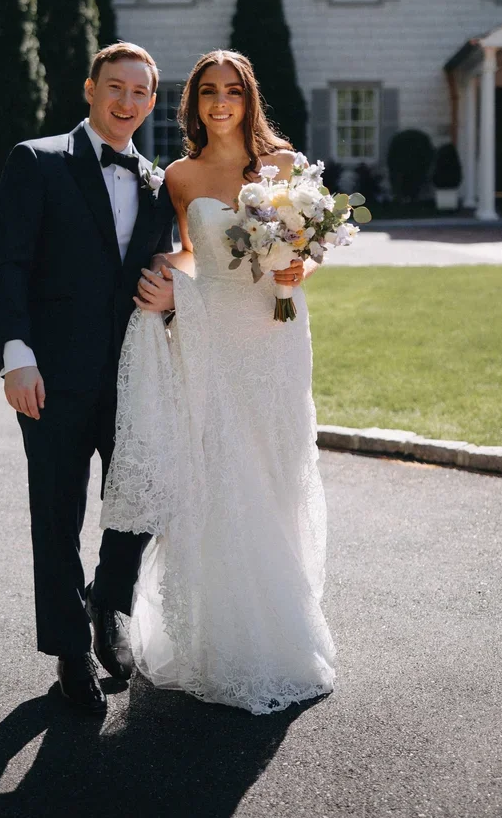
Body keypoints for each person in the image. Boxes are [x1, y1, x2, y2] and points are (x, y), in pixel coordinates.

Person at [102, 50, 336, 715]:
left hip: (277, 332)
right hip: (214, 335)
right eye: (209, 91)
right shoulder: (179, 175)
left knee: (276, 465)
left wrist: (299, 270)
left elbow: (309, 247)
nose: (221, 101)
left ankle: (281, 622)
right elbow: (188, 250)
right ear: (195, 103)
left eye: (233, 90)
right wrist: (164, 282)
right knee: (221, 470)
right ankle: (218, 634)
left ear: (248, 97)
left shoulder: (282, 164)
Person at [0, 42, 175, 715]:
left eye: (140, 92)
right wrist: (17, 355)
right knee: (57, 513)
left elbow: (167, 268)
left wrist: (173, 297)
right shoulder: (36, 161)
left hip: (133, 374)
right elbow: (7, 265)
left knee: (137, 504)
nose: (126, 101)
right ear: (91, 89)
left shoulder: (158, 182)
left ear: (152, 102)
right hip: (52, 376)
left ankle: (107, 607)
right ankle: (69, 649)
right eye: (115, 87)